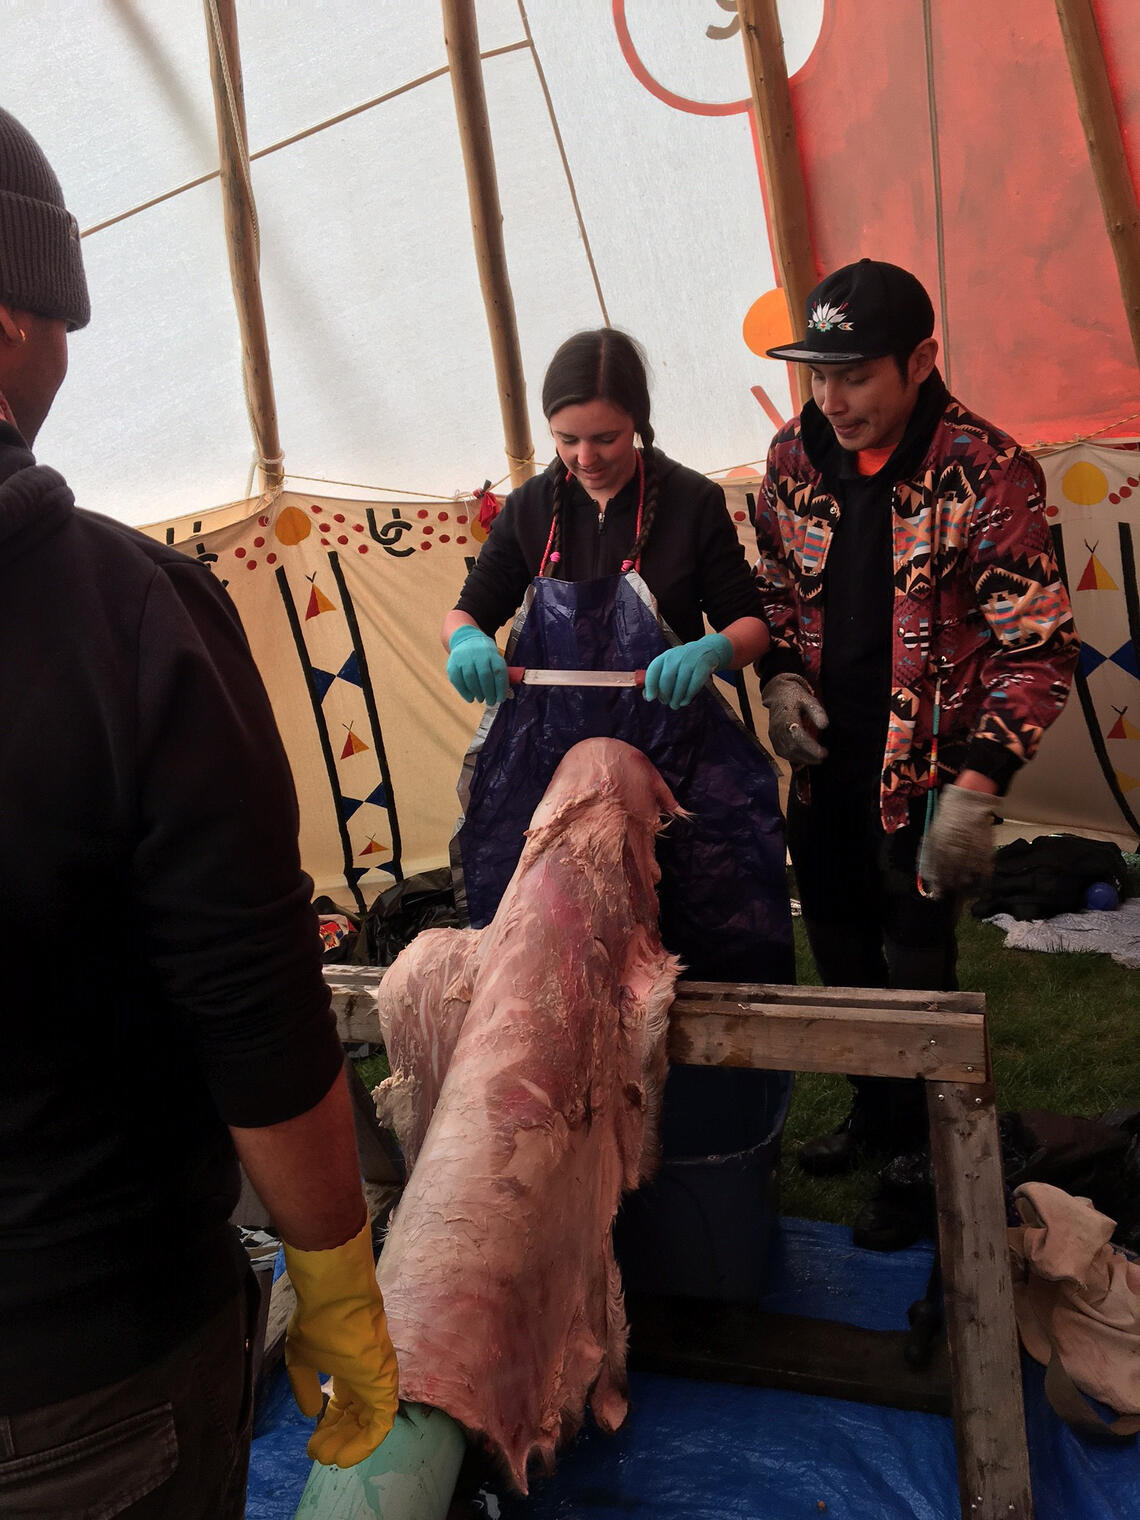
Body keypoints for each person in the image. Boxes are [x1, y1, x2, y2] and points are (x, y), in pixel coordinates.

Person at [0, 107, 396, 1518]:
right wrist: (338, 1276)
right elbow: (258, 1006)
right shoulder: (128, 619)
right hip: (80, 1373)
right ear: (9, 331)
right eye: (60, 321)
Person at [755, 258, 1078, 1249]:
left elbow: (1038, 644)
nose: (834, 398)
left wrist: (981, 785)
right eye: (820, 374)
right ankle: (877, 1113)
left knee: (918, 969)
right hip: (825, 763)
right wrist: (777, 678)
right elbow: (766, 586)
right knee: (842, 949)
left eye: (856, 374)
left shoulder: (989, 471)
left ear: (921, 359)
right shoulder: (790, 460)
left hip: (930, 774)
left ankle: (929, 1151)